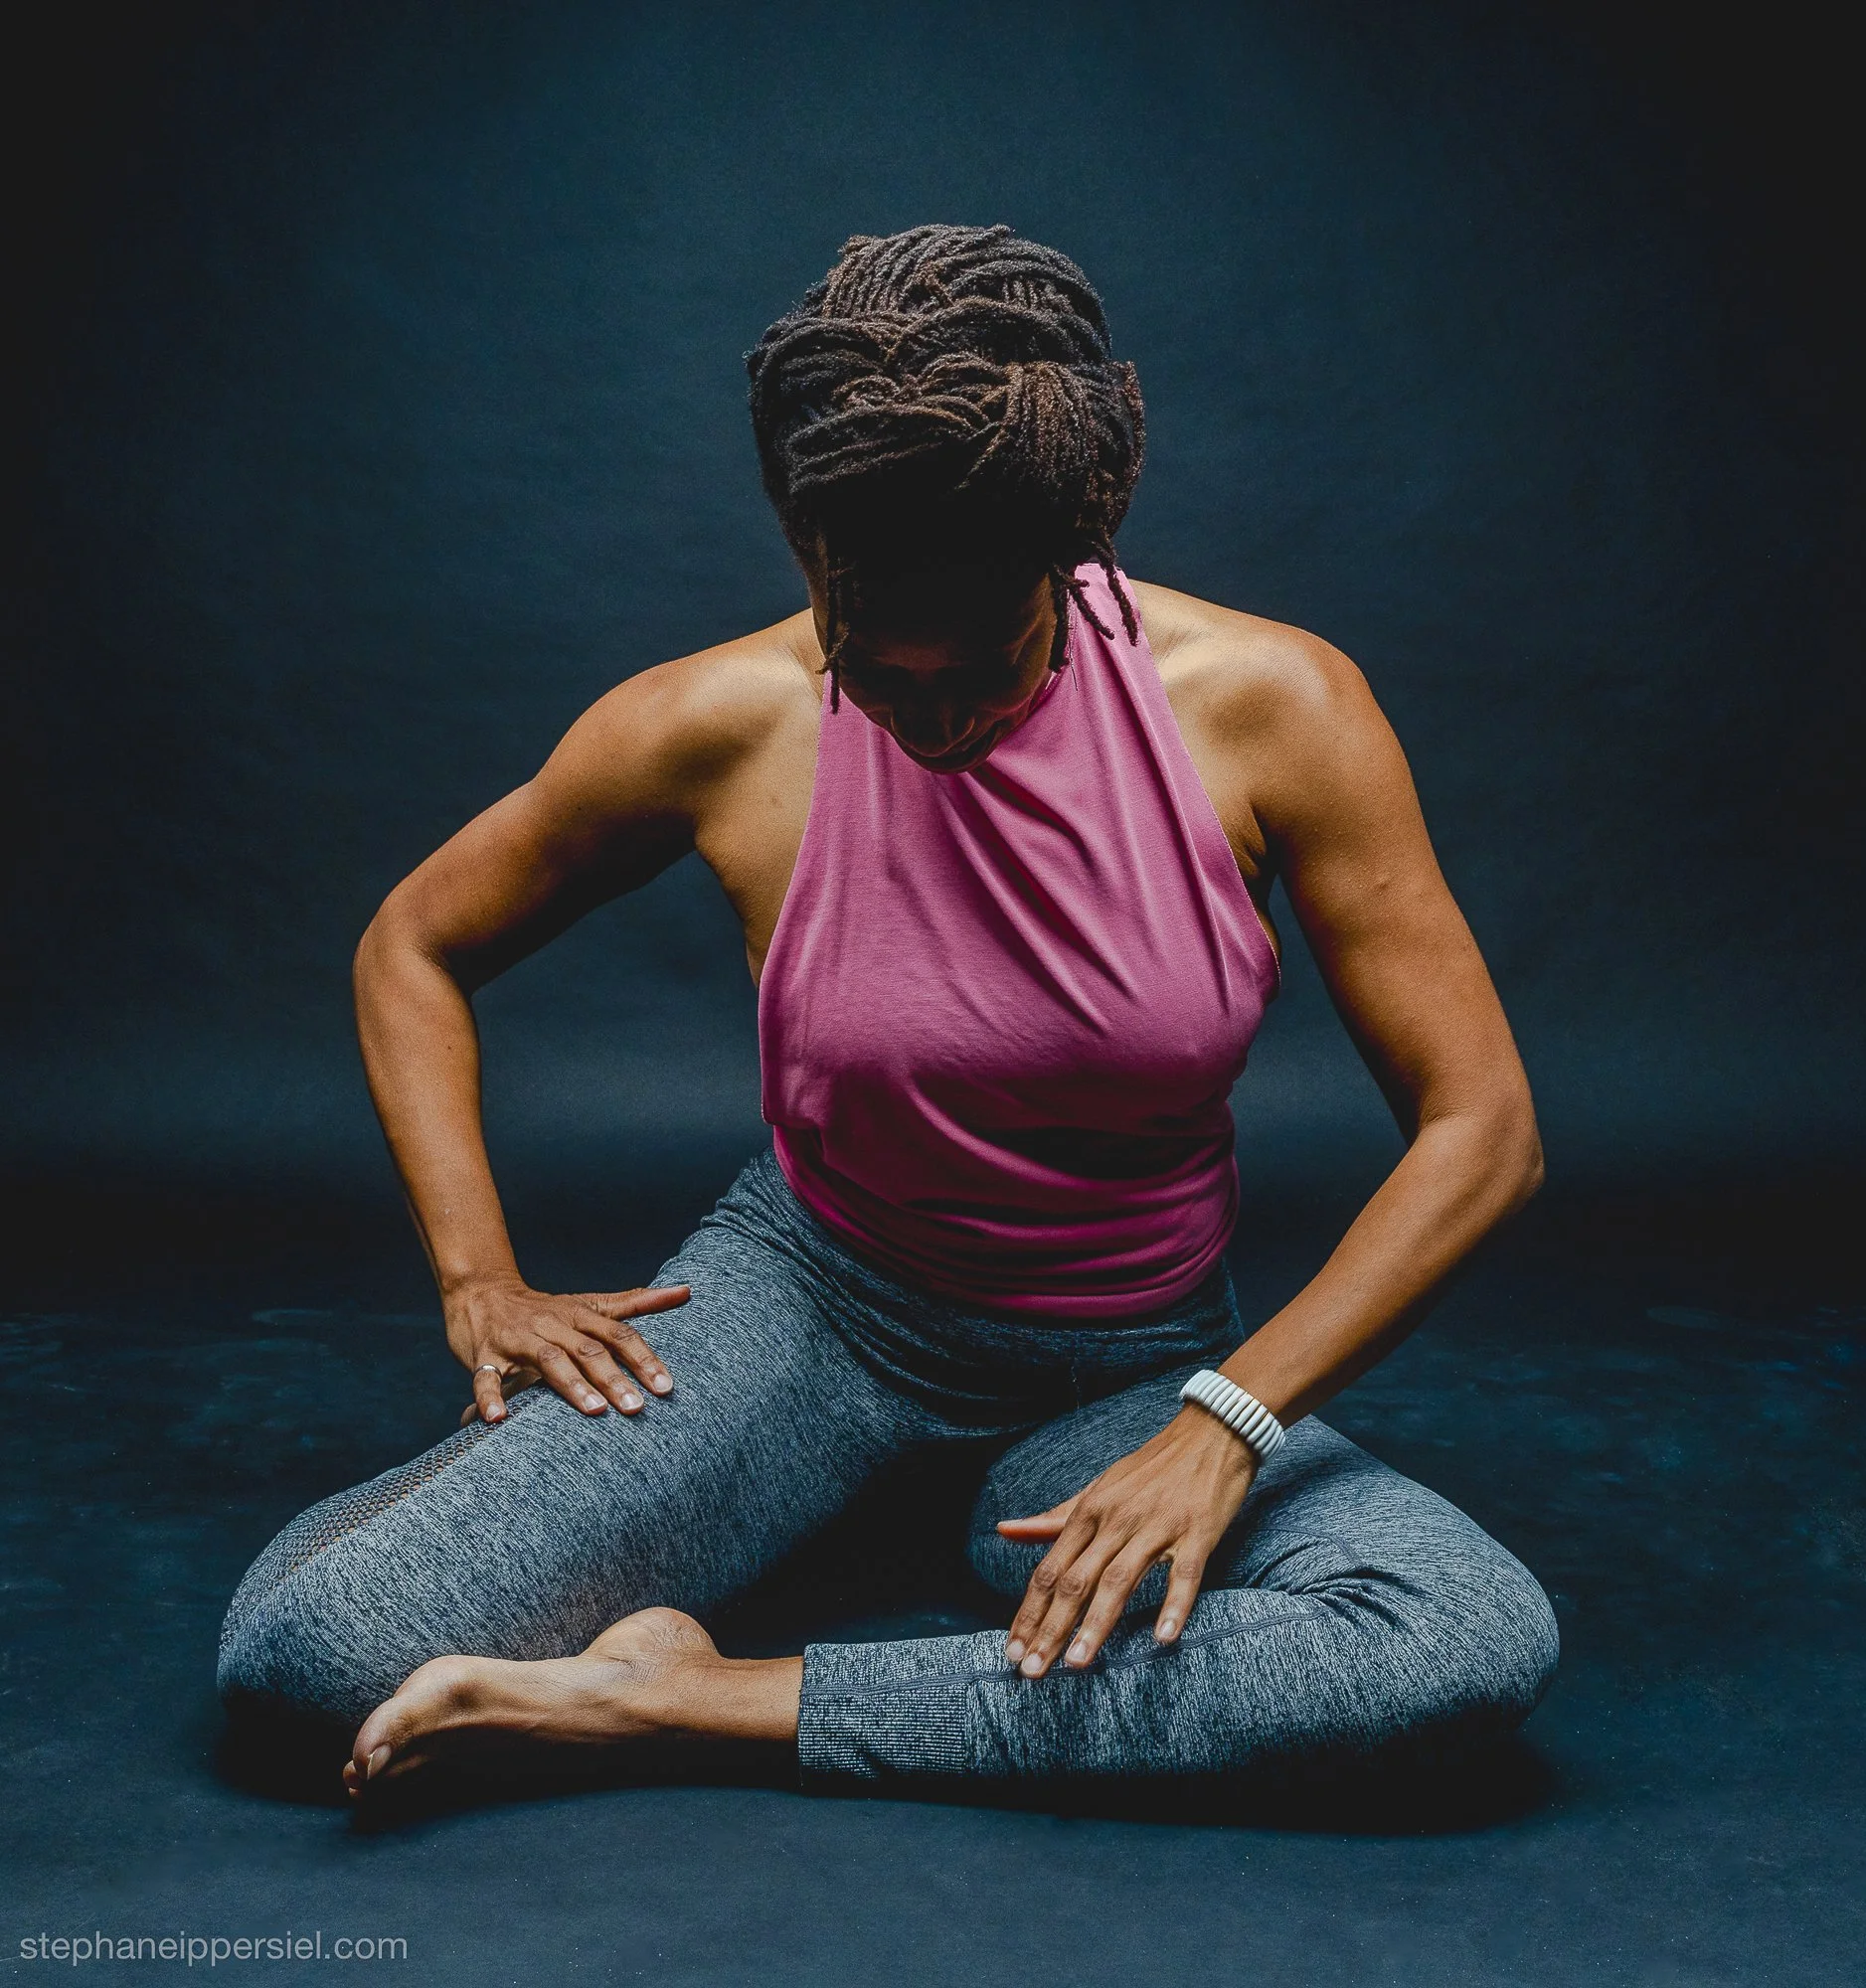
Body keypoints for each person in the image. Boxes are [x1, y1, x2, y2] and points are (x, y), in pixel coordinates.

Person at [216, 223, 1558, 1805]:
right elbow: (414, 946)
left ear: (1070, 559)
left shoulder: (1274, 707)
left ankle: (690, 1700)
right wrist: (478, 1280)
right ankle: (816, 1521)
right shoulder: (717, 723)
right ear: (813, 569)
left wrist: (1228, 1422)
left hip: (1134, 1373)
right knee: (307, 1651)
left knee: (1454, 1635)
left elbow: (1485, 1132)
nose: (934, 723)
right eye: (878, 670)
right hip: (818, 1323)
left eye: (987, 667)